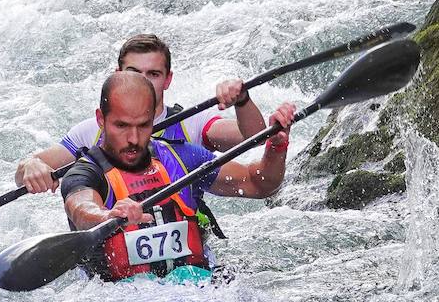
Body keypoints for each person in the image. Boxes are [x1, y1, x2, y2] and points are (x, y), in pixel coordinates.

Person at [59, 72, 295, 281]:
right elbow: (81, 209)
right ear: (101, 119)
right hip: (125, 301)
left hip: (197, 288)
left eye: (142, 125)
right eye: (121, 126)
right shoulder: (86, 172)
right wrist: (108, 215)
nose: (132, 138)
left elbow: (259, 184)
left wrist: (276, 148)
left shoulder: (181, 158)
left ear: (153, 118)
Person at [16, 33, 268, 194]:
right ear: (118, 74)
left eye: (154, 74)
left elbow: (256, 136)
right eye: (135, 72)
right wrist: (32, 166)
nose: (143, 82)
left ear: (168, 80)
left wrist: (242, 100)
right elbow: (26, 173)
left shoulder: (192, 123)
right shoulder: (91, 130)